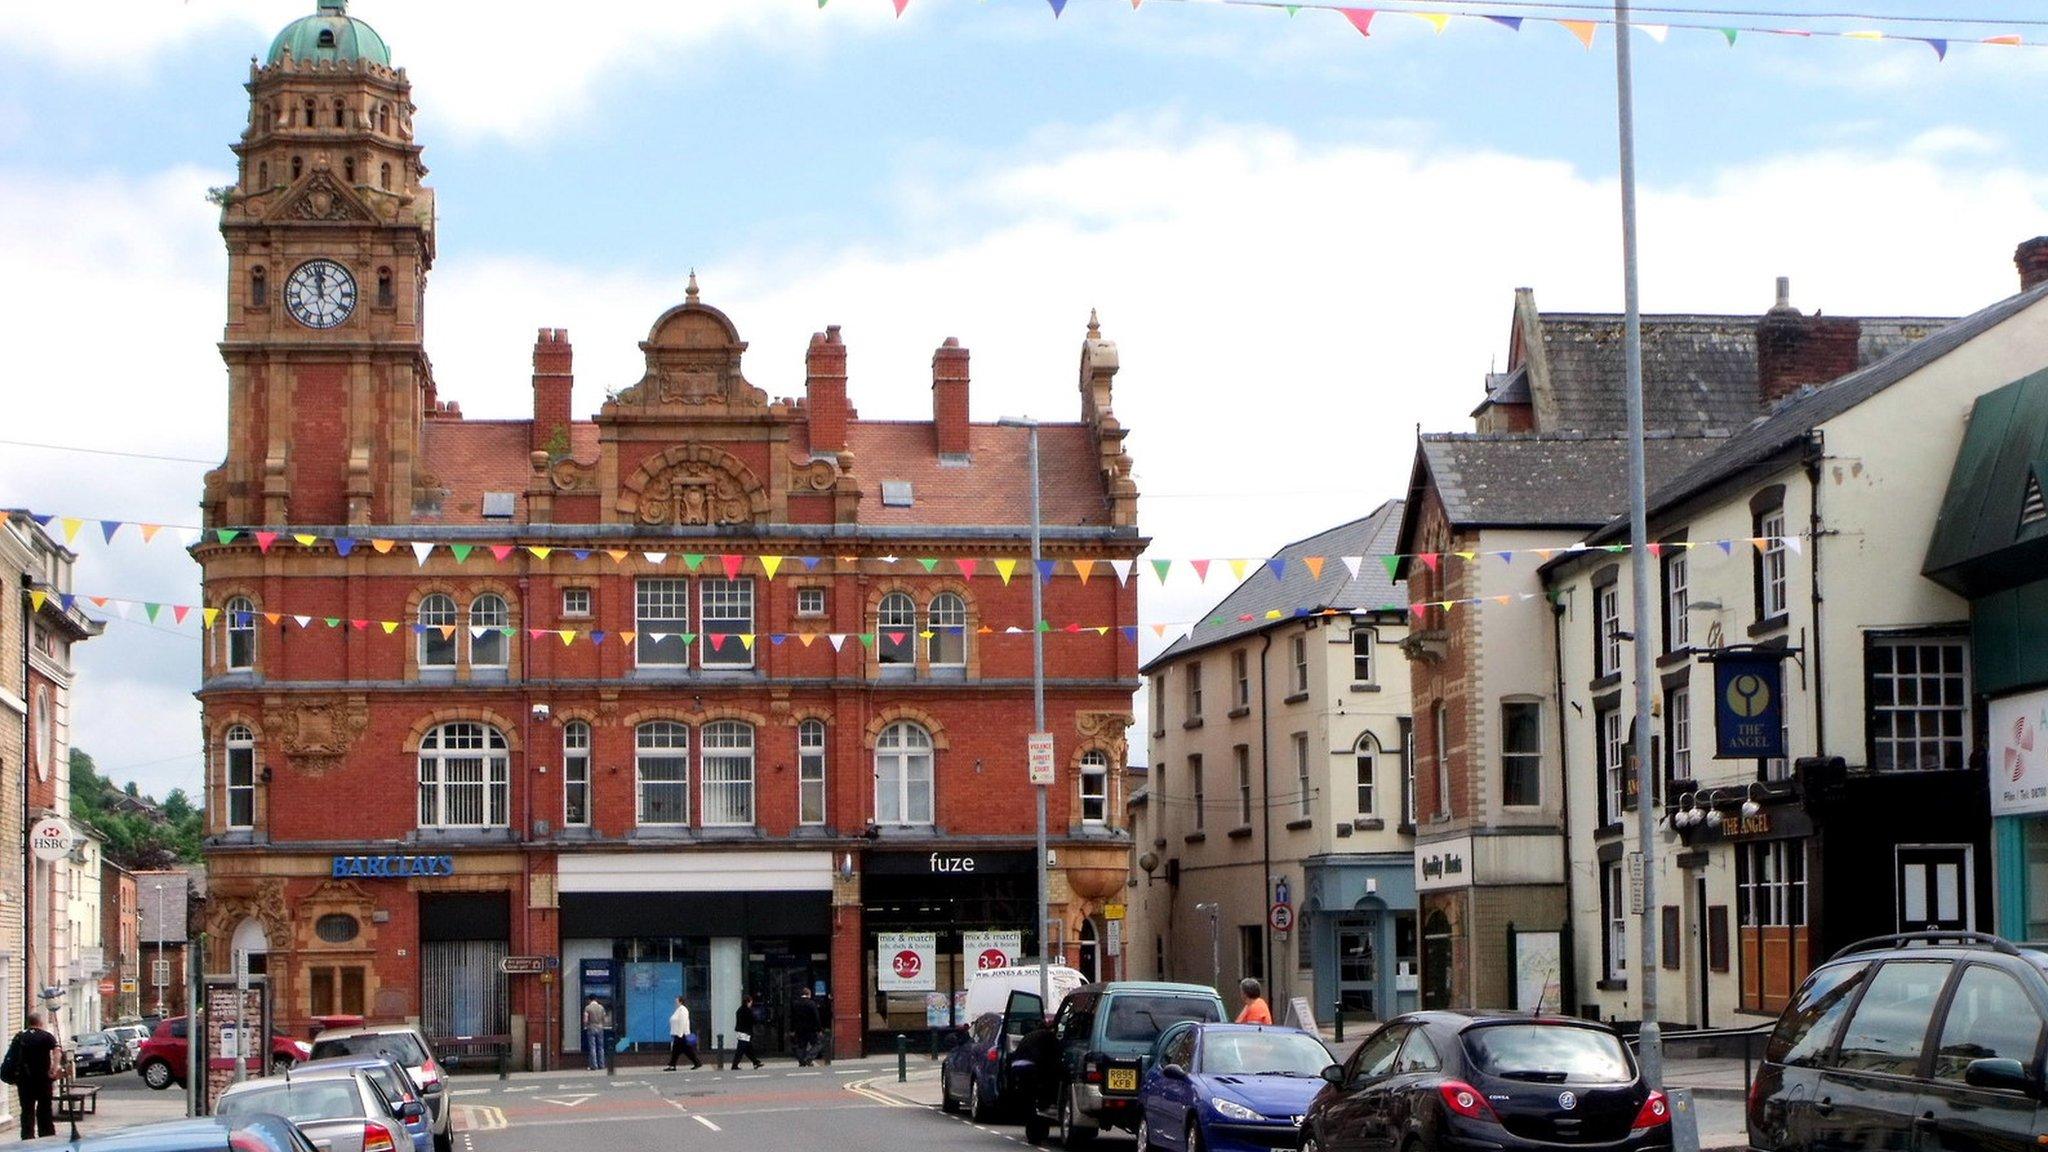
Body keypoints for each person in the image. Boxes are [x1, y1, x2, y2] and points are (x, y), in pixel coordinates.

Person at [5, 1012, 60, 1140]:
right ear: (40, 1023)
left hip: (24, 1081)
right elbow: (57, 1051)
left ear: (28, 1023)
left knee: (27, 1111)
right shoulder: (46, 1036)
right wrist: (54, 1068)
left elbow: (12, 1058)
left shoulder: (20, 1036)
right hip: (43, 1080)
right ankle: (46, 1138)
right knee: (44, 1110)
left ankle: (27, 1138)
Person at [663, 996, 702, 1071]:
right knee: (684, 1050)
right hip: (679, 1034)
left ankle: (672, 1065)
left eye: (676, 1001)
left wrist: (680, 1033)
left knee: (678, 1050)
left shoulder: (683, 1010)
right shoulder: (678, 1010)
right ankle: (696, 1062)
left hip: (681, 1034)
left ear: (680, 1002)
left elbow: (682, 1021)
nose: (675, 1002)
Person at [788, 988, 822, 1067]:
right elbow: (816, 1017)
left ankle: (802, 1061)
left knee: (801, 1046)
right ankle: (808, 1058)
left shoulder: (796, 1004)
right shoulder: (811, 1004)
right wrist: (819, 1029)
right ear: (809, 994)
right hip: (811, 1029)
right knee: (817, 1044)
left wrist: (792, 1029)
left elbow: (793, 1017)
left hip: (799, 1029)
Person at [729, 994, 763, 1070]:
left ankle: (756, 1062)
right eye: (751, 1002)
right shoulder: (747, 1011)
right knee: (741, 1050)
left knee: (747, 1048)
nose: (751, 1004)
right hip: (745, 1032)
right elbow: (753, 1020)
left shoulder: (739, 1010)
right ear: (748, 1002)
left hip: (740, 1032)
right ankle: (735, 1065)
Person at [582, 996, 611, 1071]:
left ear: (589, 1000)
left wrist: (586, 1025)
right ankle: (602, 1065)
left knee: (592, 1047)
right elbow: (605, 1018)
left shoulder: (587, 1008)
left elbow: (585, 1019)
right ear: (596, 999)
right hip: (600, 1027)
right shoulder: (601, 1007)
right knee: (601, 1047)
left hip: (591, 1027)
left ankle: (594, 1066)